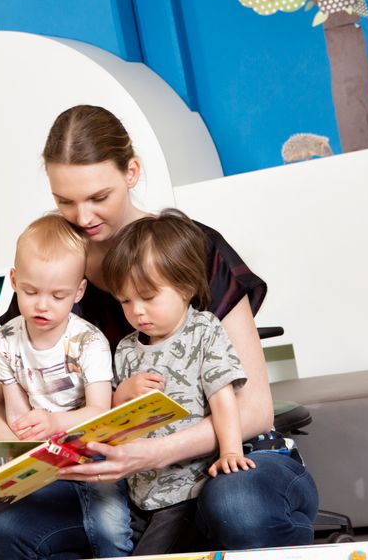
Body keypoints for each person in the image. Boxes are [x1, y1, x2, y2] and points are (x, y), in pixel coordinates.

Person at [0, 105, 318, 558]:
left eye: (99, 197)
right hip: (118, 484)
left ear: (132, 172)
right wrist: (26, 449)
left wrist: (152, 454)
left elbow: (255, 410)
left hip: (228, 456)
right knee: (3, 525)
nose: (82, 216)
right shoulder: (51, 278)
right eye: (64, 201)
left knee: (237, 504)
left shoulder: (194, 249)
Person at [102, 209, 261, 547]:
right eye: (125, 301)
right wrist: (123, 393)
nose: (137, 311)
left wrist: (230, 450)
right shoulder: (127, 349)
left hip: (190, 485)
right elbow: (114, 417)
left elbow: (222, 396)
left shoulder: (203, 331)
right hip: (141, 491)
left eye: (148, 297)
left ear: (186, 287)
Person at [0, 213, 132, 558]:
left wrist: (54, 423)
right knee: (0, 519)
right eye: (30, 291)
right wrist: (24, 438)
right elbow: (15, 407)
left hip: (94, 449)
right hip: (46, 455)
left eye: (58, 295)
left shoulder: (88, 341)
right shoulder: (7, 339)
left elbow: (100, 410)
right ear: (14, 280)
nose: (42, 305)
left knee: (110, 529)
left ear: (78, 291)